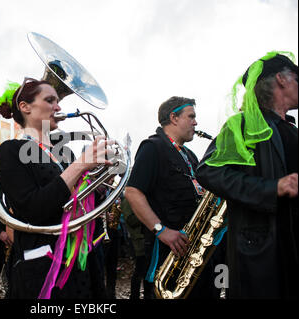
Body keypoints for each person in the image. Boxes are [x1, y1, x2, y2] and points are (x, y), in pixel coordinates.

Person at [0, 79, 114, 299]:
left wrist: (104, 179)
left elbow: (78, 201)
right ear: (25, 106)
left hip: (82, 260)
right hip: (44, 265)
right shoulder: (11, 149)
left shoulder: (63, 153)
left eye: (58, 101)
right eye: (50, 100)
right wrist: (80, 165)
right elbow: (33, 208)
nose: (58, 107)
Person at [196, 52, 298, 299]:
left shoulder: (292, 130)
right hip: (262, 253)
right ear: (281, 80)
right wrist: (272, 188)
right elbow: (209, 171)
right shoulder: (242, 125)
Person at [124, 96, 215, 299]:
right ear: (174, 117)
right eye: (191, 116)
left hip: (189, 249)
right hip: (166, 252)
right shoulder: (152, 147)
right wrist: (161, 230)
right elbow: (132, 191)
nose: (195, 122)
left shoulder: (189, 155)